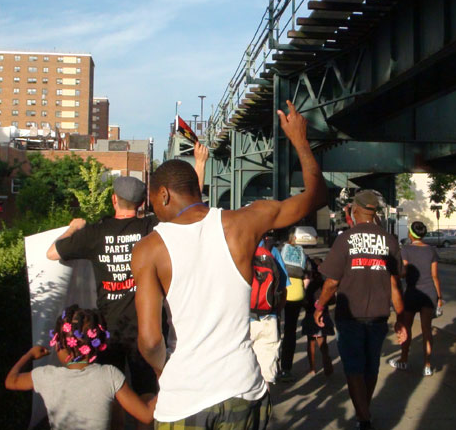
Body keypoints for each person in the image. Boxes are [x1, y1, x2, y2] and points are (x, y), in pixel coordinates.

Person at [130, 100, 326, 429]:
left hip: (184, 400)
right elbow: (316, 196)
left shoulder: (149, 249)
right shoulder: (244, 223)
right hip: (243, 388)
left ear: (163, 195)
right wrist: (300, 142)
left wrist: (167, 371)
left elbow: (150, 340)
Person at [45, 148, 207, 429]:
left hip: (108, 329)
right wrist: (200, 164)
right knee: (147, 390)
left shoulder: (94, 233)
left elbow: (50, 253)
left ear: (113, 200)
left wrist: (73, 227)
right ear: (144, 202)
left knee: (114, 390)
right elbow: (186, 208)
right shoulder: (150, 226)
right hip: (147, 327)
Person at [314, 189, 408, 430]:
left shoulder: (345, 239)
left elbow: (332, 281)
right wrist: (401, 318)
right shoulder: (389, 240)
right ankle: (364, 411)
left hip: (350, 315)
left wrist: (319, 305)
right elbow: (394, 283)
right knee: (371, 365)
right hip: (379, 314)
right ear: (374, 213)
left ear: (355, 210)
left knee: (354, 367)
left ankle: (364, 417)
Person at [5, 305, 156, 429]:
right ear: (97, 345)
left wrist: (29, 355)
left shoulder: (46, 376)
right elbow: (146, 415)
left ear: (59, 345)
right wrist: (164, 375)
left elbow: (11, 381)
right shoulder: (110, 375)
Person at [388, 221, 442, 376]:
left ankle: (403, 360)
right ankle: (427, 365)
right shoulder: (431, 250)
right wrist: (439, 297)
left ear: (411, 234)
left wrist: (394, 274)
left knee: (407, 327)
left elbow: (403, 272)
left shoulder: (405, 249)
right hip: (429, 293)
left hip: (412, 293)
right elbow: (435, 276)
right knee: (427, 330)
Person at [249, 237, 288, 384]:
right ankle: (264, 405)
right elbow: (283, 288)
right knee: (266, 375)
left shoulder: (237, 246)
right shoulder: (272, 252)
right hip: (268, 317)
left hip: (242, 318)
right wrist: (277, 312)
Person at [279, 228, 310, 382]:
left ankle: (272, 363)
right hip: (297, 293)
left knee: (275, 329)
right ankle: (286, 368)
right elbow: (307, 278)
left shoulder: (280, 251)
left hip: (281, 291)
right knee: (290, 332)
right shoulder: (303, 254)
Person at [302, 257, 334, 376]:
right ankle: (327, 364)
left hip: (311, 316)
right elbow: (332, 300)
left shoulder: (310, 286)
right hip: (323, 315)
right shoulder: (326, 284)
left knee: (311, 343)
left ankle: (312, 368)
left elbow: (305, 301)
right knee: (323, 343)